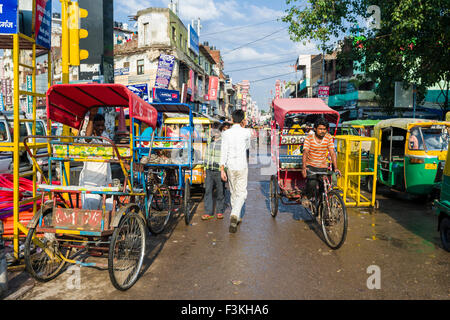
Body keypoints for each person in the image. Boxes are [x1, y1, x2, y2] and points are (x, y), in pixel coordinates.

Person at [220, 110, 252, 233]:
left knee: (233, 192)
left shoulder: (226, 133)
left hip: (230, 166)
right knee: (242, 193)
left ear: (232, 119)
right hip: (242, 165)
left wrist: (222, 169)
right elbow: (248, 146)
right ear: (243, 119)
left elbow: (224, 151)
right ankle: (235, 214)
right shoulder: (246, 132)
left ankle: (236, 216)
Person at [78, 108, 113, 210]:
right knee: (90, 214)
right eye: (98, 125)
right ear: (92, 126)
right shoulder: (89, 139)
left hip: (105, 182)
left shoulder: (106, 138)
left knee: (109, 212)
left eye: (102, 125)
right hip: (90, 183)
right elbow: (87, 138)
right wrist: (91, 117)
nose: (100, 128)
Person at [301, 117, 340, 208]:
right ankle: (306, 196)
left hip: (322, 166)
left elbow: (332, 152)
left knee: (326, 187)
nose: (322, 131)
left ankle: (322, 208)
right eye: (320, 129)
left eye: (324, 129)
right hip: (310, 165)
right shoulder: (309, 138)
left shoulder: (328, 137)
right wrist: (303, 168)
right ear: (315, 129)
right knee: (312, 183)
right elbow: (305, 152)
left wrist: (336, 167)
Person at [202, 122, 225, 220]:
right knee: (208, 191)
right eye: (213, 130)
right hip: (208, 169)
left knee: (220, 191)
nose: (215, 132)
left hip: (219, 169)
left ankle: (219, 211)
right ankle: (208, 212)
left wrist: (224, 170)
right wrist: (204, 169)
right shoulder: (209, 140)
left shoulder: (224, 141)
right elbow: (206, 155)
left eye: (217, 130)